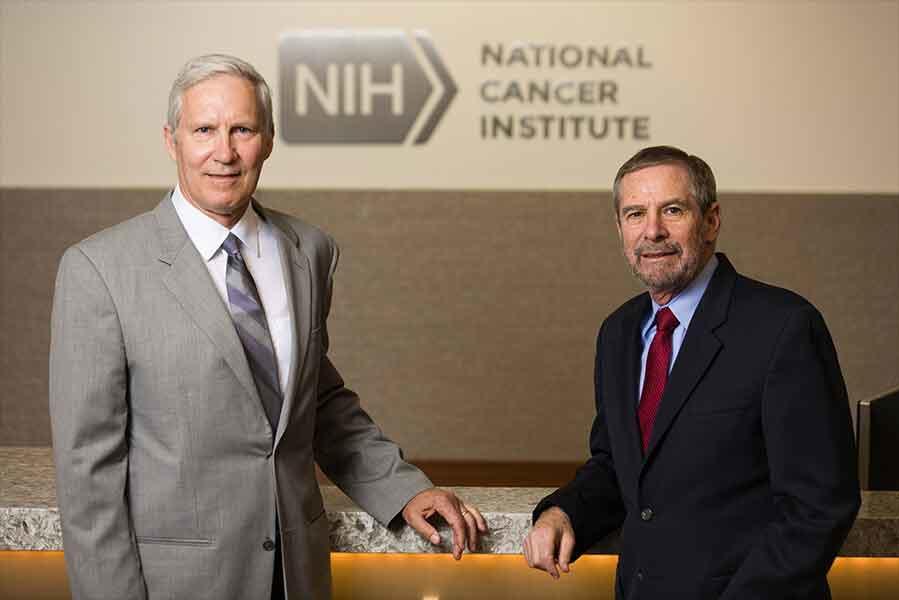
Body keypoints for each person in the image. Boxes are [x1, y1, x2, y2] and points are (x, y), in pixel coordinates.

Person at [49, 54, 485, 600]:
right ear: (171, 140)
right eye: (204, 130)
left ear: (269, 139)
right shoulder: (100, 270)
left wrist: (403, 491)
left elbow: (316, 402)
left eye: (243, 130)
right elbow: (88, 473)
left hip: (296, 576)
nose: (224, 152)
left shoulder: (310, 251)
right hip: (175, 586)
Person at [523, 146, 860, 599]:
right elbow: (618, 468)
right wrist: (563, 512)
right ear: (620, 229)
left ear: (712, 220)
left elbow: (818, 507)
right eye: (636, 214)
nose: (653, 231)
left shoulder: (784, 327)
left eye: (673, 210)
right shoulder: (619, 333)